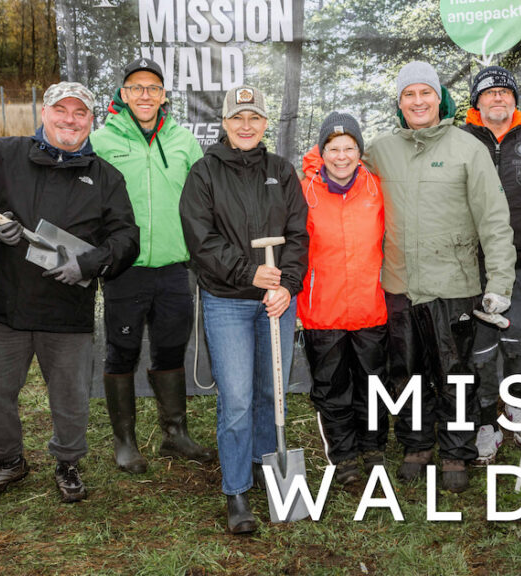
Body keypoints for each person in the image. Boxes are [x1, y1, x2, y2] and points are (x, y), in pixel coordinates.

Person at [0, 82, 139, 503]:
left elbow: (126, 238)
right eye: (60, 110)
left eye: (80, 113)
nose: (70, 120)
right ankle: (7, 460)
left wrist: (90, 263)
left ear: (91, 120)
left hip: (67, 308)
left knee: (70, 396)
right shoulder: (5, 154)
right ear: (43, 113)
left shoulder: (106, 177)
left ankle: (68, 461)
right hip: (5, 302)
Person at [365, 61, 516, 493]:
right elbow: (340, 171)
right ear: (399, 103)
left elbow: (494, 220)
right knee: (406, 372)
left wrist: (499, 283)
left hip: (454, 283)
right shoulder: (380, 150)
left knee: (456, 374)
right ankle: (416, 445)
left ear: (439, 98)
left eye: (425, 93)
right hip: (399, 284)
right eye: (408, 95)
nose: (418, 102)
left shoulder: (467, 149)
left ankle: (455, 450)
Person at [179, 85, 308, 534]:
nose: (246, 125)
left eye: (254, 117)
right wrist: (248, 273)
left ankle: (264, 466)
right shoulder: (204, 173)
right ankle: (236, 490)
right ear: (225, 123)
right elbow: (201, 240)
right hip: (228, 300)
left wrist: (287, 285)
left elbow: (299, 234)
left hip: (277, 302)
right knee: (236, 399)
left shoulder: (281, 171)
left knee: (272, 392)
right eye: (238, 117)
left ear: (266, 123)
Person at [90, 58, 212, 473]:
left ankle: (175, 434)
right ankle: (125, 441)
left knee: (171, 347)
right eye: (136, 87)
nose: (145, 94)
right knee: (121, 350)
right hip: (125, 268)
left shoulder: (183, 140)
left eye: (153, 88)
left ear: (163, 96)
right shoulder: (102, 141)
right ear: (123, 95)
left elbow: (203, 200)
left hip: (175, 267)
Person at [461, 66, 521, 463]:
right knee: (480, 348)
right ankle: (486, 420)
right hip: (472, 263)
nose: (498, 97)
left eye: (505, 92)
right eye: (489, 92)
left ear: (515, 100)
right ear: (477, 102)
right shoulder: (459, 140)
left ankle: (518, 408)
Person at [298, 112, 387, 485]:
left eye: (349, 148)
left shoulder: (376, 188)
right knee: (332, 387)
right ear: (322, 151)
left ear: (359, 151)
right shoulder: (304, 191)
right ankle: (344, 454)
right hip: (323, 309)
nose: (341, 157)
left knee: (373, 383)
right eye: (333, 149)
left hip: (371, 307)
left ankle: (373, 446)